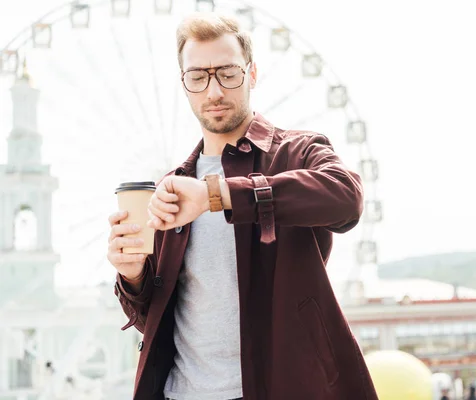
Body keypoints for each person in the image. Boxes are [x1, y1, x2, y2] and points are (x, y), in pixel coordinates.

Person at [106, 11, 377, 400]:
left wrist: (216, 195)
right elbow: (154, 319)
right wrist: (131, 276)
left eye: (227, 73)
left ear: (251, 74)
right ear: (184, 84)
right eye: (198, 77)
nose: (213, 91)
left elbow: (346, 197)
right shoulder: (173, 187)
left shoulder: (297, 152)